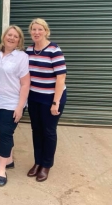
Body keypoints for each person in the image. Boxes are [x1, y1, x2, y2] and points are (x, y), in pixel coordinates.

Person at [0, 25, 30, 186]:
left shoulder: (22, 57)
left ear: (19, 41)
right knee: (5, 132)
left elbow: (25, 84)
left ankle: (2, 170)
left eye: (15, 36)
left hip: (11, 103)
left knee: (5, 134)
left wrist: (20, 107)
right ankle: (9, 160)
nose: (11, 38)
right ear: (4, 37)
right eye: (9, 35)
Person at [25, 18, 67, 182]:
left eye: (40, 29)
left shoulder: (54, 50)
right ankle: (37, 162)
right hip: (35, 97)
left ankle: (46, 165)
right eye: (34, 29)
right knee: (36, 130)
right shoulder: (28, 50)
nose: (36, 32)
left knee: (48, 132)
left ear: (46, 31)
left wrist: (55, 102)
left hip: (52, 98)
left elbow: (61, 77)